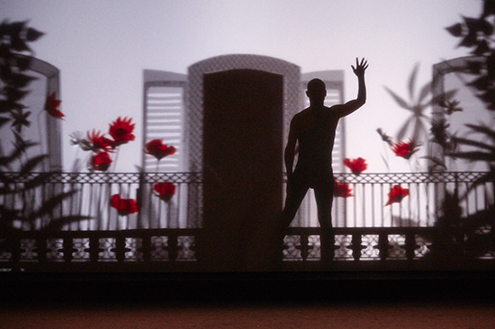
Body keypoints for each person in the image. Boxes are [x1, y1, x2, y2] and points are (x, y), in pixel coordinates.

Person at [280, 58, 368, 264]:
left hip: (308, 172)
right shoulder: (328, 114)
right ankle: (326, 263)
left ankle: (279, 257)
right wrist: (290, 176)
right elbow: (289, 148)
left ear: (311, 94)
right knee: (321, 220)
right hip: (317, 172)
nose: (318, 94)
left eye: (318, 90)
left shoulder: (304, 118)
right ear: (313, 94)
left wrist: (291, 176)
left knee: (303, 218)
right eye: (317, 91)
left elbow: (289, 149)